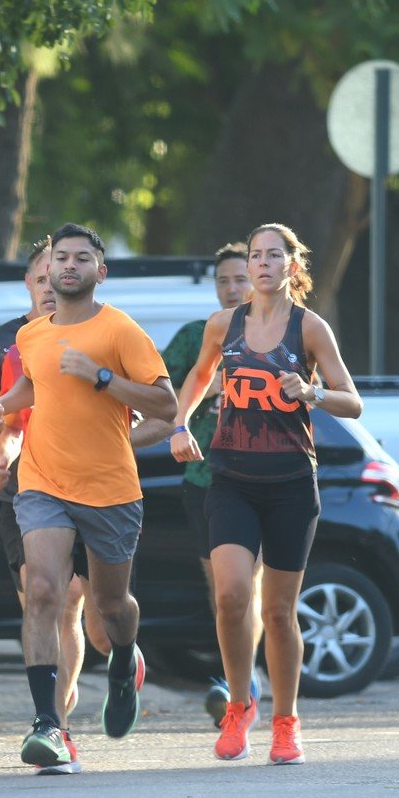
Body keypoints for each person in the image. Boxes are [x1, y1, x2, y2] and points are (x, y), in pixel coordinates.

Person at [0, 223, 177, 774]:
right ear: (46, 272)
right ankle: (48, 724)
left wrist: (101, 377)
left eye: (81, 259)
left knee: (110, 607)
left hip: (110, 487)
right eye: (60, 259)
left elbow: (165, 403)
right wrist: (3, 404)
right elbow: (33, 386)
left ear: (100, 271)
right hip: (42, 481)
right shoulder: (31, 336)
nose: (68, 266)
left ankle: (121, 662)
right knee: (42, 590)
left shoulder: (120, 331)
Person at [170, 223, 362, 766]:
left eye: (273, 255)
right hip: (231, 478)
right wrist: (181, 424)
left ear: (291, 267)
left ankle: (286, 721)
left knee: (278, 612)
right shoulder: (221, 325)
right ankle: (239, 705)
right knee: (231, 595)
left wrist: (313, 391)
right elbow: (199, 377)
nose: (262, 263)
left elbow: (353, 402)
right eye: (256, 255)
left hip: (291, 485)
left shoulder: (310, 328)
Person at [0, 240, 106, 733]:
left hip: (89, 483)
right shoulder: (4, 342)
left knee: (89, 612)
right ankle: (55, 724)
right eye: (41, 279)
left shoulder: (100, 333)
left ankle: (117, 660)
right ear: (29, 283)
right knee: (45, 602)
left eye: (57, 277)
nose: (50, 287)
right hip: (24, 491)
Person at [158, 242, 263, 723]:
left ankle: (242, 681)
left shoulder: (279, 332)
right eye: (223, 280)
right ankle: (235, 676)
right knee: (221, 587)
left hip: (263, 473)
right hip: (204, 474)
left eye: (240, 278)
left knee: (249, 587)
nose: (232, 288)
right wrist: (198, 398)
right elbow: (159, 394)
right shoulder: (196, 336)